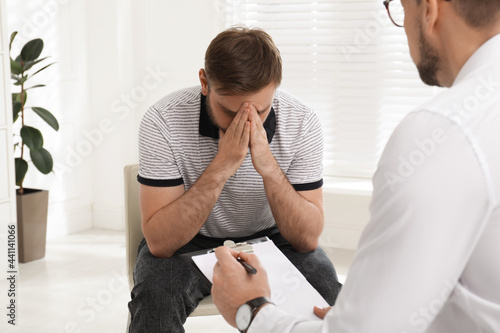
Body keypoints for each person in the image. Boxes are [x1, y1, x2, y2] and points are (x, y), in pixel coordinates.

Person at [211, 0, 500, 332]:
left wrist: (251, 310)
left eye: (401, 8)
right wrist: (363, 310)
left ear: (430, 10)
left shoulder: (442, 133)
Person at [128, 26, 342, 332]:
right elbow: (161, 243)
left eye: (262, 110)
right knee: (155, 301)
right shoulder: (163, 120)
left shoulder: (302, 121)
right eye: (229, 112)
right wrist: (223, 165)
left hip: (275, 239)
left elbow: (306, 240)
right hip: (188, 242)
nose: (247, 122)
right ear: (204, 82)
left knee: (333, 303)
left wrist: (268, 166)